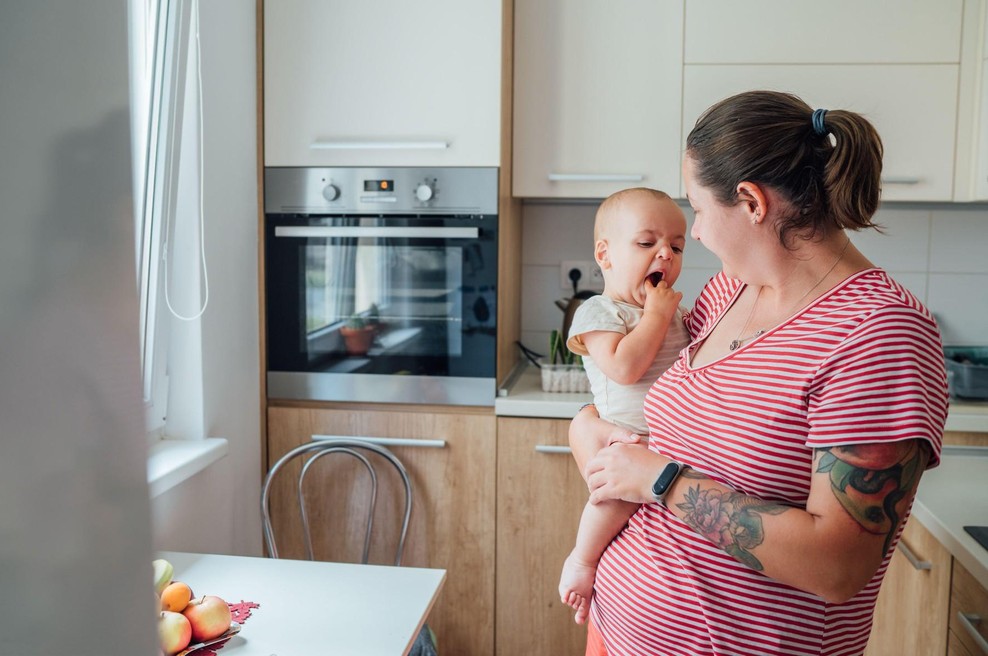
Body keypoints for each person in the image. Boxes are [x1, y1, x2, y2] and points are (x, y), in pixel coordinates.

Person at [569, 90, 949, 656]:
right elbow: (658, 418)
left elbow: (838, 566)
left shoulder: (878, 333)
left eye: (697, 210)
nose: (692, 236)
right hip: (618, 625)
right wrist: (585, 424)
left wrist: (661, 481)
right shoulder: (731, 289)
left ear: (751, 202)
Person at [557, 188, 692, 625]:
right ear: (605, 254)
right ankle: (582, 560)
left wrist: (666, 316)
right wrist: (656, 316)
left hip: (670, 447)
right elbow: (624, 367)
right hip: (627, 438)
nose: (665, 255)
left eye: (676, 245)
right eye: (646, 242)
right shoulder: (598, 312)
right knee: (611, 500)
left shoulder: (674, 312)